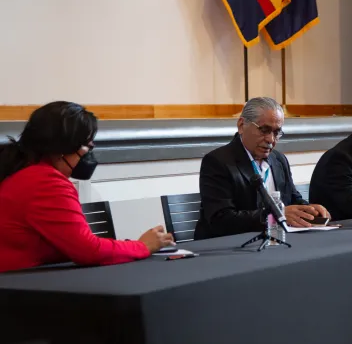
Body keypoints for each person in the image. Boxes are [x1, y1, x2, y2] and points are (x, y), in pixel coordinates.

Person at [0, 101, 174, 273]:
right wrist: (143, 246)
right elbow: (89, 251)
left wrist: (126, 246)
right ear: (63, 149)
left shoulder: (21, 170)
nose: (88, 155)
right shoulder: (45, 182)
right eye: (87, 147)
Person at [195, 97, 330, 239]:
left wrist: (310, 210)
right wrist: (276, 215)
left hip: (276, 240)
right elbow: (221, 220)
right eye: (264, 130)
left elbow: (292, 199)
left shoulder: (279, 160)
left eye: (277, 132)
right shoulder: (218, 162)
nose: (271, 139)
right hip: (227, 247)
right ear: (241, 125)